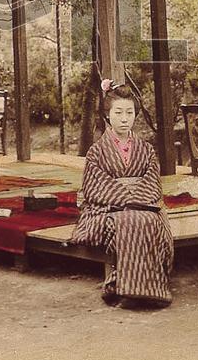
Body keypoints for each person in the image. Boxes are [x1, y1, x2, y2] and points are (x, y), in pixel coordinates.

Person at [71, 79, 174, 308]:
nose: (125, 118)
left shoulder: (146, 149)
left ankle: (139, 289)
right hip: (106, 210)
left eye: (130, 112)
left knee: (148, 220)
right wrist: (128, 199)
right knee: (130, 220)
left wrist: (135, 200)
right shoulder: (97, 151)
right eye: (119, 112)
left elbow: (153, 184)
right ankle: (132, 289)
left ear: (135, 114)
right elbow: (94, 186)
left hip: (141, 206)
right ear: (108, 115)